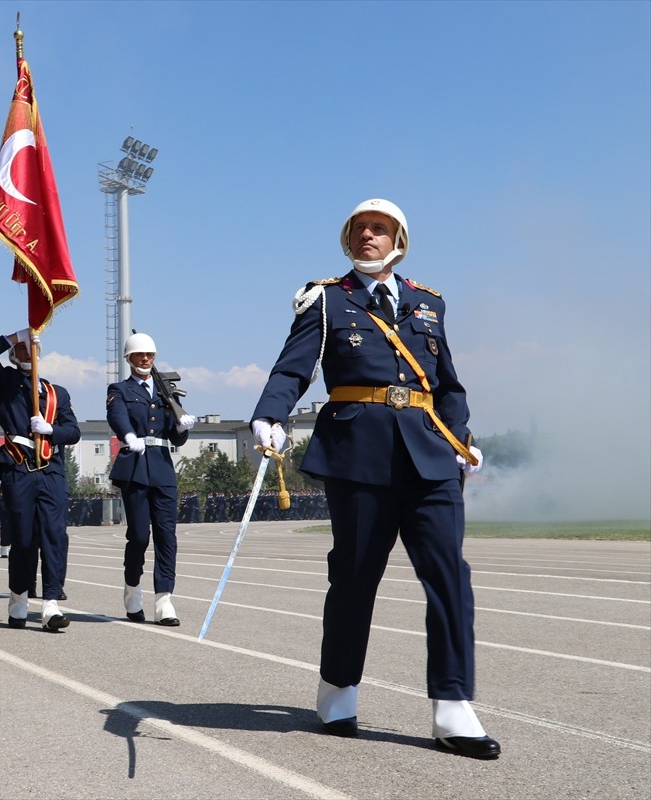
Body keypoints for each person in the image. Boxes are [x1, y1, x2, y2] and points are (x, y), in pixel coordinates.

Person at [250, 198, 496, 759]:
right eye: (359, 228)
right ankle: (338, 688)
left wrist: (461, 437)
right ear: (348, 240)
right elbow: (293, 368)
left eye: (379, 229)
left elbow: (446, 384)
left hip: (430, 456)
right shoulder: (326, 300)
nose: (368, 235)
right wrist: (269, 415)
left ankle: (453, 705)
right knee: (356, 575)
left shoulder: (429, 304)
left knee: (449, 575)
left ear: (398, 241)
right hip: (358, 455)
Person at [0, 328, 80, 632]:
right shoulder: (6, 382)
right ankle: (19, 597)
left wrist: (51, 430)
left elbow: (73, 432)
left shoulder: (56, 393)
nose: (27, 352)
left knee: (54, 535)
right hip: (18, 469)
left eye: (30, 348)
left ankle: (51, 603)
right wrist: (16, 336)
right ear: (13, 355)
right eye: (21, 349)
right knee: (23, 539)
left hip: (51, 470)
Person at [106, 332, 195, 626]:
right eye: (140, 355)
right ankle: (132, 588)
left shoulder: (165, 390)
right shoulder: (119, 389)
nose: (145, 359)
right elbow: (117, 415)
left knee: (166, 536)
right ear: (129, 358)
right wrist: (128, 435)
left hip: (162, 469)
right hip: (135, 468)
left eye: (149, 355)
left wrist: (181, 427)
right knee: (139, 536)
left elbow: (176, 438)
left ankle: (164, 600)